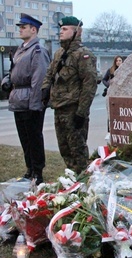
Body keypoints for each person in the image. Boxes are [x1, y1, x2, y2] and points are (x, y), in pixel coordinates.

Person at [41, 16, 97, 174]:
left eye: (65, 29)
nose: (61, 32)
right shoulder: (59, 53)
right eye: (60, 29)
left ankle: (82, 182)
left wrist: (82, 112)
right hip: (59, 109)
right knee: (64, 149)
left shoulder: (83, 55)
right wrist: (45, 89)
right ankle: (71, 180)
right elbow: (49, 74)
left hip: (73, 110)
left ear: (77, 31)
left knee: (78, 151)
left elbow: (89, 85)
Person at [0, 14, 50, 185]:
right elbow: (13, 73)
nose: (20, 29)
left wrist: (36, 103)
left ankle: (38, 172)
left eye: (24, 27)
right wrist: (6, 82)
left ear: (33, 30)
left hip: (30, 100)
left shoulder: (38, 51)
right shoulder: (21, 49)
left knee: (34, 138)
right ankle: (30, 170)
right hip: (19, 100)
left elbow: (39, 79)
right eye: (20, 27)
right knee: (24, 139)